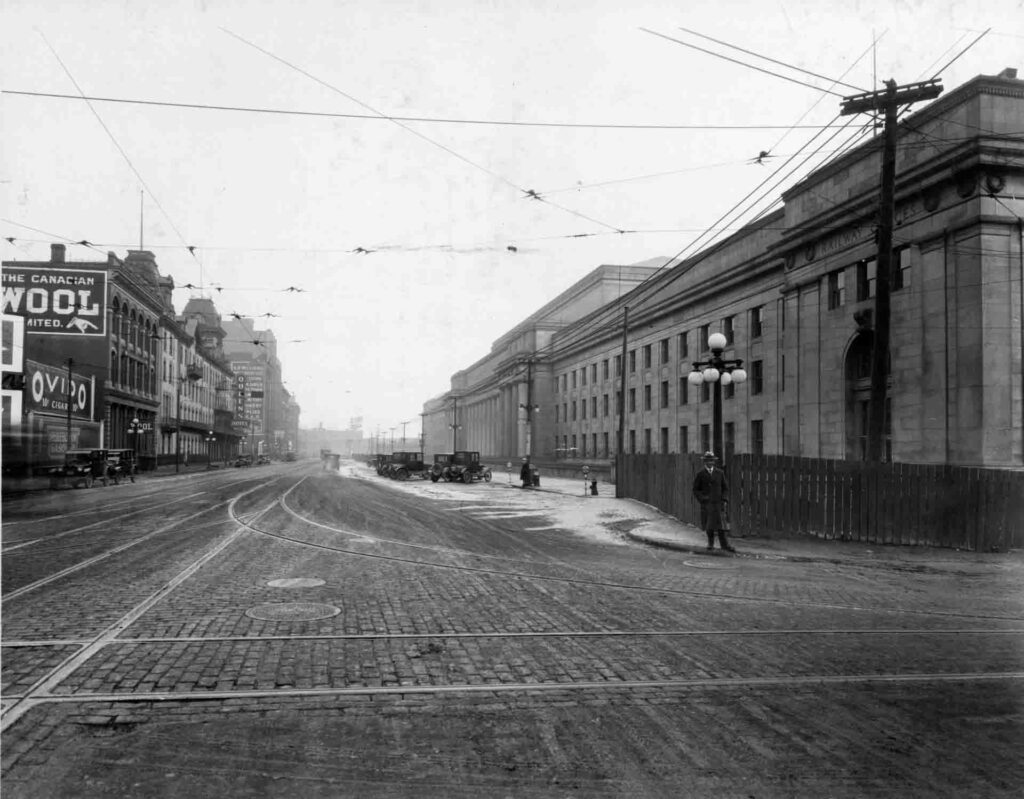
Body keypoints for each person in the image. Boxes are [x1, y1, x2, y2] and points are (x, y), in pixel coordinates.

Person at [692, 451, 735, 552]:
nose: (710, 462)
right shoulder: (700, 474)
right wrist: (703, 498)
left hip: (718, 503)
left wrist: (724, 499)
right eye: (708, 461)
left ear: (714, 462)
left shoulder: (720, 473)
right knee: (709, 525)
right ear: (704, 462)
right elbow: (695, 489)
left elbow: (725, 488)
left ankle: (725, 545)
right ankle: (710, 544)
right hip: (707, 504)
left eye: (711, 460)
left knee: (721, 526)